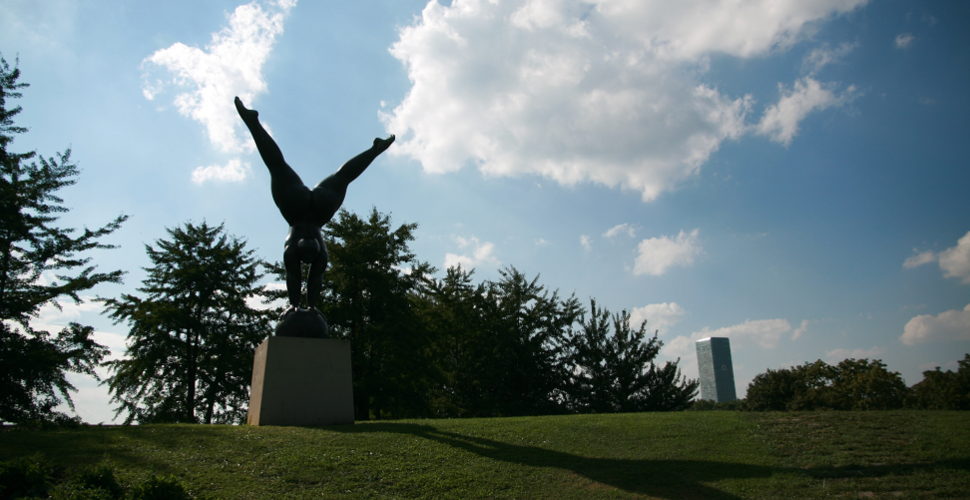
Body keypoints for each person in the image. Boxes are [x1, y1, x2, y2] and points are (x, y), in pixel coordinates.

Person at [234, 96, 394, 312]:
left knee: (286, 168)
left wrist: (295, 306)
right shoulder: (315, 254)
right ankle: (374, 150)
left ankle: (253, 123)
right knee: (287, 168)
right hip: (313, 209)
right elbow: (312, 280)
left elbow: (295, 277)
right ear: (315, 249)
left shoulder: (293, 250)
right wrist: (310, 307)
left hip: (300, 209)